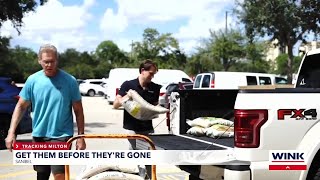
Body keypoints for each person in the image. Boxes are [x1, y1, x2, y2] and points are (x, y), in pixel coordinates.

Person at [5, 44, 86, 180]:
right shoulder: (33, 80)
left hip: (62, 136)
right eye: (46, 61)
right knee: (41, 174)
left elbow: (78, 110)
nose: (49, 65)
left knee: (60, 175)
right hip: (39, 135)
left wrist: (81, 137)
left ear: (57, 60)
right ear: (39, 61)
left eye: (52, 61)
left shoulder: (69, 81)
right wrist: (11, 132)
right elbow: (21, 106)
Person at [113, 59, 161, 179]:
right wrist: (127, 96)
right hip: (132, 128)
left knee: (149, 157)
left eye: (154, 74)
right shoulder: (128, 85)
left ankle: (150, 178)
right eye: (151, 73)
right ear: (142, 71)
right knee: (135, 157)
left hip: (147, 128)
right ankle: (137, 177)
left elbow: (155, 106)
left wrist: (161, 110)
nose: (152, 77)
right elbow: (115, 104)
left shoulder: (155, 88)